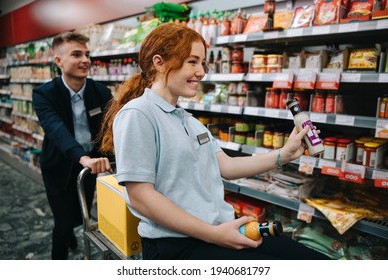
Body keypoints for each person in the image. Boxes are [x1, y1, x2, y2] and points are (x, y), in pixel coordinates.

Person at [99, 23, 329, 260]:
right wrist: (213, 234)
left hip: (217, 231)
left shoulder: (188, 121)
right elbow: (141, 197)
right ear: (159, 63)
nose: (201, 71)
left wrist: (284, 154)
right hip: (177, 246)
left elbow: (227, 167)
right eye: (192, 61)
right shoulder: (138, 114)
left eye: (202, 63)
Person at [32, 31, 113, 260]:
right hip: (59, 167)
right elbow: (56, 129)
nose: (85, 60)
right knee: (62, 223)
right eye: (77, 54)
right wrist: (82, 157)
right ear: (58, 61)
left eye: (87, 54)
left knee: (82, 215)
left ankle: (71, 232)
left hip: (90, 168)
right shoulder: (44, 94)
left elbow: (112, 128)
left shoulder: (101, 92)